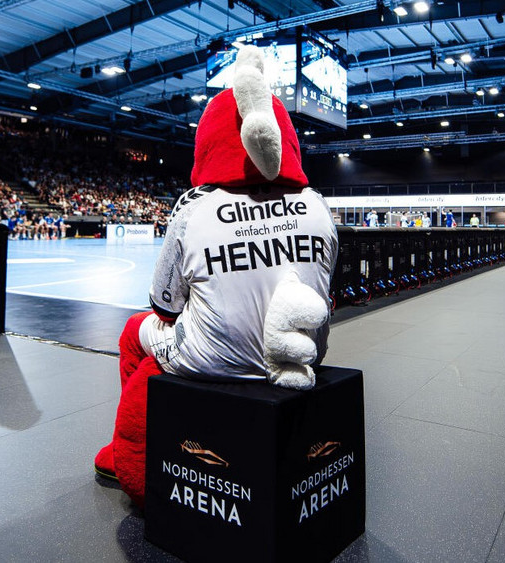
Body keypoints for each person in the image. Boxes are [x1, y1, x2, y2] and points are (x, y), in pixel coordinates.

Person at [94, 46, 338, 507]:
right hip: (303, 357)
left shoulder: (193, 209)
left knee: (135, 336)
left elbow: (163, 306)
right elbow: (326, 290)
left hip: (212, 362)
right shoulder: (319, 207)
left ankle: (131, 456)